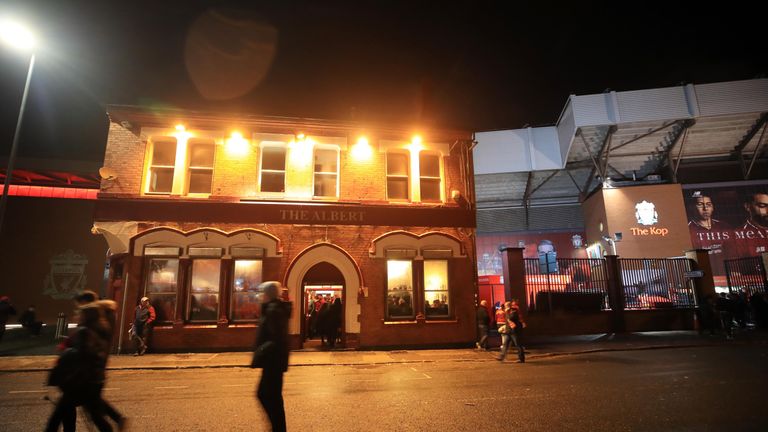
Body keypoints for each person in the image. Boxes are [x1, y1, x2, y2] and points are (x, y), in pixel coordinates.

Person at [45, 290, 125, 431]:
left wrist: (67, 352)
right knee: (91, 411)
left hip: (83, 377)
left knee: (68, 413)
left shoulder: (88, 328)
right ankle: (117, 419)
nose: (76, 314)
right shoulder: (100, 322)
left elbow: (83, 353)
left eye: (79, 311)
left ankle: (117, 418)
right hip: (90, 375)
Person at [251, 281, 291, 432]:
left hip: (272, 361)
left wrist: (260, 350)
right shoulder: (273, 309)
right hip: (274, 361)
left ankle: (278, 429)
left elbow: (276, 338)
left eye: (262, 293)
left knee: (265, 395)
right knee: (272, 397)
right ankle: (277, 428)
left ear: (268, 294)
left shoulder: (274, 310)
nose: (261, 296)